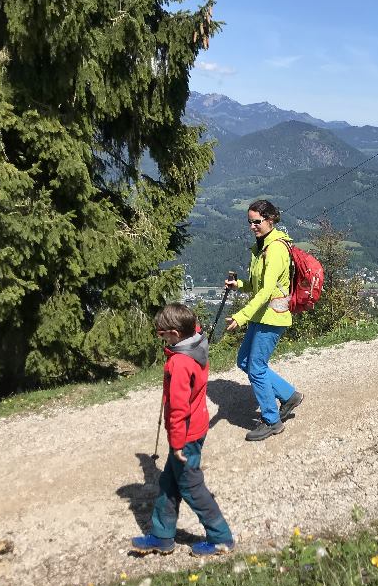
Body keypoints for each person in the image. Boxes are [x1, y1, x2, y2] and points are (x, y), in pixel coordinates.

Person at [131, 302, 235, 556]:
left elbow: (178, 409)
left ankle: (221, 538)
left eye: (162, 334)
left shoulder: (179, 364)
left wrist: (176, 444)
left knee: (192, 487)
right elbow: (194, 325)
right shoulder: (198, 343)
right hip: (196, 427)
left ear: (175, 334)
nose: (161, 338)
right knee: (169, 482)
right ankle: (162, 536)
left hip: (185, 437)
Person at [225, 199, 305, 442]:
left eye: (256, 222)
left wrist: (240, 316)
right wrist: (238, 284)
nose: (252, 226)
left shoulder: (276, 249)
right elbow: (257, 284)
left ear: (270, 220)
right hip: (262, 314)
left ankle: (271, 420)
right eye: (249, 222)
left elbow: (267, 290)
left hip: (273, 316)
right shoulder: (261, 247)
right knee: (245, 361)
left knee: (256, 367)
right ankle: (289, 395)